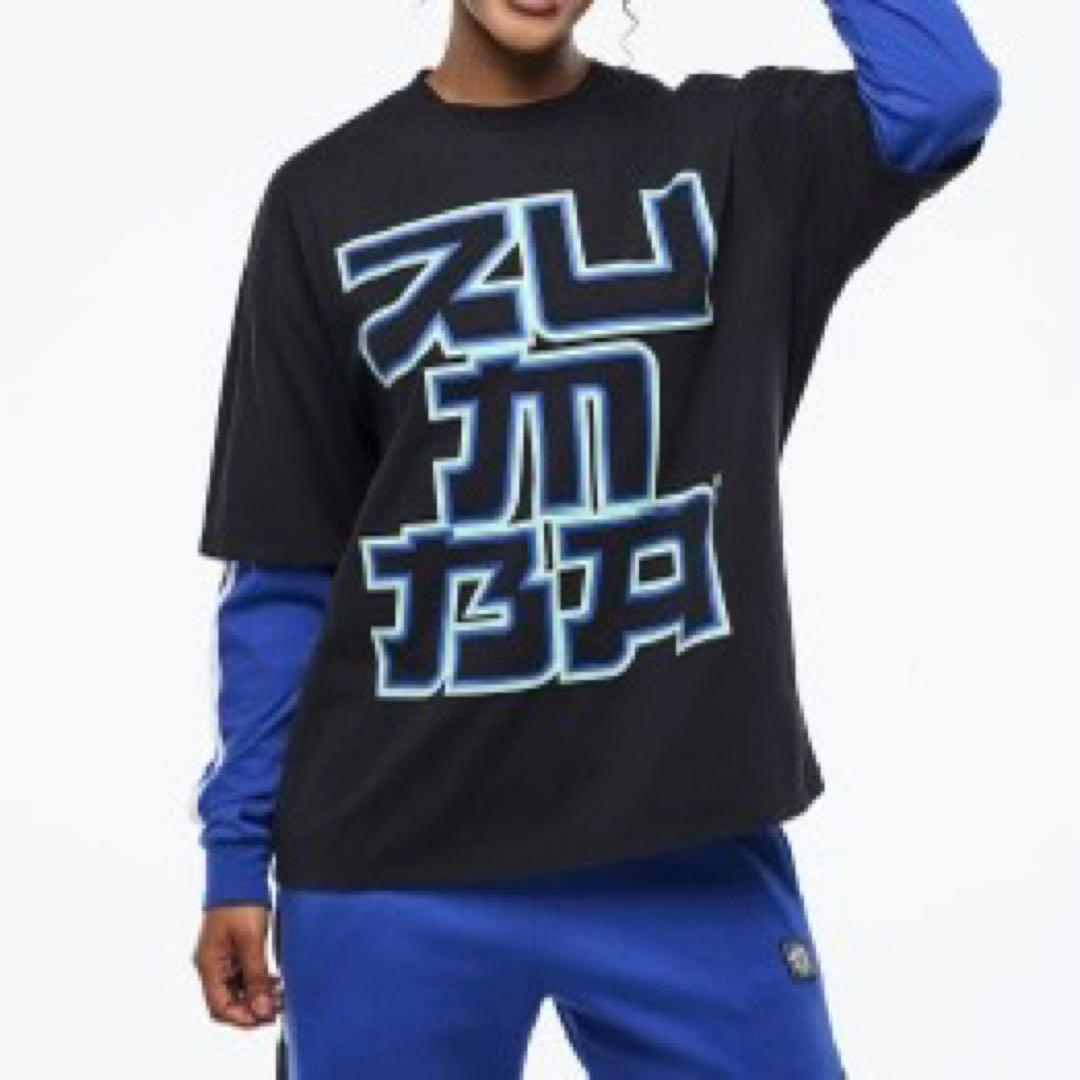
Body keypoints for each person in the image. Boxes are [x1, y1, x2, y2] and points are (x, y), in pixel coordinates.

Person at [193, 1, 1000, 1075]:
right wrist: (235, 852)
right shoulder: (324, 196)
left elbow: (942, 96)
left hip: (684, 843)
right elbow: (287, 562)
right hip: (393, 863)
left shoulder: (736, 156)